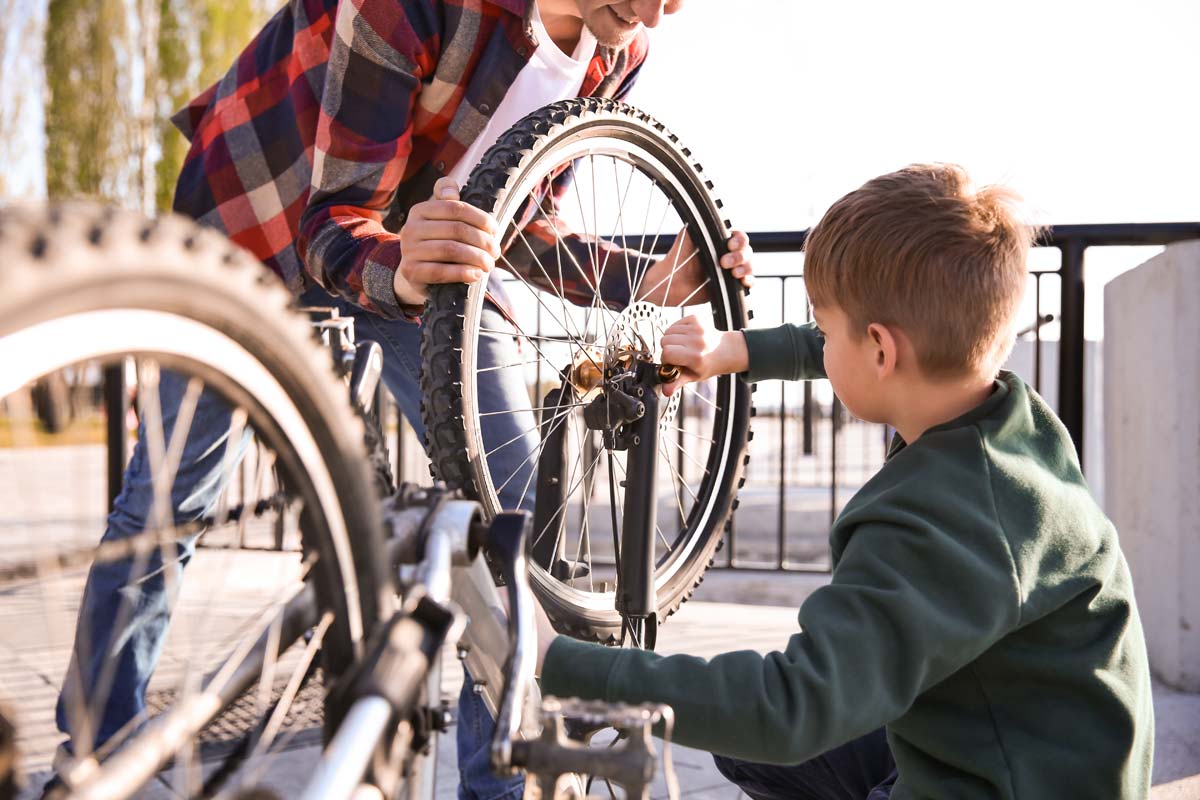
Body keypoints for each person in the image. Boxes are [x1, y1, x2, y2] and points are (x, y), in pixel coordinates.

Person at [47, 1, 754, 797]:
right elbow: (333, 220)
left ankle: (500, 784)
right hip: (264, 217)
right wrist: (406, 269)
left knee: (518, 516)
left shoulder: (619, 46)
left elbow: (525, 223)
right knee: (167, 507)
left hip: (433, 263)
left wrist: (649, 278)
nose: (663, 7)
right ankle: (99, 758)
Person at [533, 163, 1154, 799]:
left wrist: (556, 663)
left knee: (768, 729)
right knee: (752, 753)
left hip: (999, 782)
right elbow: (856, 339)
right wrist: (735, 350)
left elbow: (790, 708)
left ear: (882, 352)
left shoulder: (941, 518)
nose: (820, 347)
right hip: (1037, 750)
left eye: (826, 330)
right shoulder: (1003, 421)